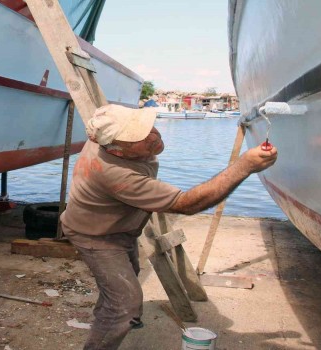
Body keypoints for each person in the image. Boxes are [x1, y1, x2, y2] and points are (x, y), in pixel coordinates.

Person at [60, 104, 278, 350]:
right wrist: (244, 166)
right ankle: (111, 327)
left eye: (148, 128)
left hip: (113, 226)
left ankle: (112, 317)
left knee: (122, 280)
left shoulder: (104, 136)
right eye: (139, 139)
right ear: (118, 151)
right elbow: (188, 204)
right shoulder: (117, 175)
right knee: (125, 303)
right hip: (96, 237)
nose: (154, 136)